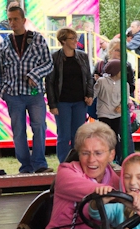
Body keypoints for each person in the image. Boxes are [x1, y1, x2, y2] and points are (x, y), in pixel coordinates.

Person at [0, 5, 54, 174]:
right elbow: (0, 69)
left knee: (39, 127)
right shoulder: (5, 43)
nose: (12, 22)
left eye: (15, 19)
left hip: (34, 94)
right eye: (10, 19)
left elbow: (49, 64)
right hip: (13, 94)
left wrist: (35, 74)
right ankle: (25, 167)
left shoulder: (37, 39)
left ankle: (39, 164)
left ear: (23, 20)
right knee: (18, 131)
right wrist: (3, 91)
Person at [46, 122, 121, 229]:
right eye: (85, 153)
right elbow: (95, 191)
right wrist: (122, 197)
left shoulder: (117, 182)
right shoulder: (66, 174)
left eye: (98, 153)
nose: (91, 160)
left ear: (111, 155)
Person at [46, 27, 94, 163]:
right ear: (63, 41)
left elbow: (88, 77)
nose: (75, 41)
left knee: (78, 135)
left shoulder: (82, 56)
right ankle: (64, 163)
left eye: (75, 38)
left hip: (80, 101)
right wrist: (52, 104)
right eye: (72, 38)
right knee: (64, 135)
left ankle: (78, 162)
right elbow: (49, 82)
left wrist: (89, 95)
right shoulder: (55, 58)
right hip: (62, 102)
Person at [95, 60, 124, 161]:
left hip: (116, 114)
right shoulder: (102, 81)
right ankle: (103, 157)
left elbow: (125, 98)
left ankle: (113, 157)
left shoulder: (124, 84)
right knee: (104, 136)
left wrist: (121, 106)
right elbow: (94, 94)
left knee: (114, 136)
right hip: (104, 113)